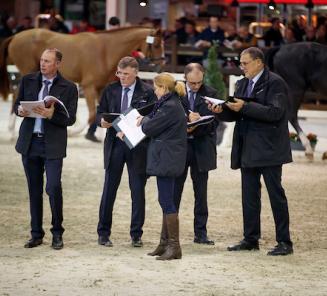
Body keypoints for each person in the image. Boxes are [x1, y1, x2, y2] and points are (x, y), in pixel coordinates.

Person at [208, 47, 293, 256]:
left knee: (276, 196)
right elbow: (236, 115)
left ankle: (284, 242)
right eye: (241, 63)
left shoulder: (275, 83)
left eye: (245, 63)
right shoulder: (242, 83)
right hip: (248, 148)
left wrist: (244, 107)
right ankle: (250, 239)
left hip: (270, 149)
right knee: (249, 196)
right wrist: (221, 112)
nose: (241, 67)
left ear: (258, 62)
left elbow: (275, 113)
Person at [14, 48, 78, 250]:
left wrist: (52, 115)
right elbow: (17, 105)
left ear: (58, 64)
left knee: (53, 187)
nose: (43, 64)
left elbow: (71, 118)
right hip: (30, 143)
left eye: (48, 61)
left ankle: (57, 232)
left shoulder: (68, 87)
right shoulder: (28, 80)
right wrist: (21, 111)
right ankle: (36, 234)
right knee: (34, 190)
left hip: (52, 144)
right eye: (42, 60)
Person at [96, 56, 156, 247]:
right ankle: (103, 233)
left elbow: (153, 116)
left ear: (136, 73)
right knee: (109, 190)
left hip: (138, 146)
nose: (122, 77)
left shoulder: (148, 91)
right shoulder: (110, 89)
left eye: (126, 74)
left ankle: (136, 234)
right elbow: (100, 112)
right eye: (119, 73)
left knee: (137, 191)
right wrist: (101, 122)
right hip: (114, 144)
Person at [137, 72, 187, 260]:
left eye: (156, 87)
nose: (154, 90)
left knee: (166, 201)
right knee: (165, 200)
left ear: (164, 88)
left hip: (167, 158)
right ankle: (164, 243)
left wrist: (144, 120)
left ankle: (174, 246)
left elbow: (149, 128)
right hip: (167, 157)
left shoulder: (170, 107)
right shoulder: (169, 104)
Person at [174, 63, 218, 245]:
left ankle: (201, 234)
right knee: (175, 192)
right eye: (192, 83)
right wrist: (186, 122)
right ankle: (171, 232)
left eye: (199, 83)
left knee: (201, 194)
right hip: (180, 149)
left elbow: (214, 123)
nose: (196, 86)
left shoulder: (212, 94)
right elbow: (169, 117)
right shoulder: (175, 92)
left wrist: (196, 125)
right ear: (185, 78)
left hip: (201, 148)